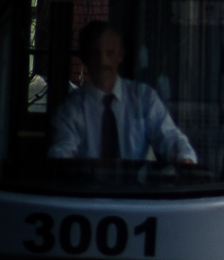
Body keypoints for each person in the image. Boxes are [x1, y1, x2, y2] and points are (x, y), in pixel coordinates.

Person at [48, 21, 197, 163]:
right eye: (95, 53)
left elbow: (170, 137)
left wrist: (185, 159)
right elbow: (62, 151)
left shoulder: (143, 98)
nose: (103, 61)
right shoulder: (71, 108)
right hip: (88, 188)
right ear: (84, 57)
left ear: (120, 55)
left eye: (110, 53)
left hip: (134, 188)